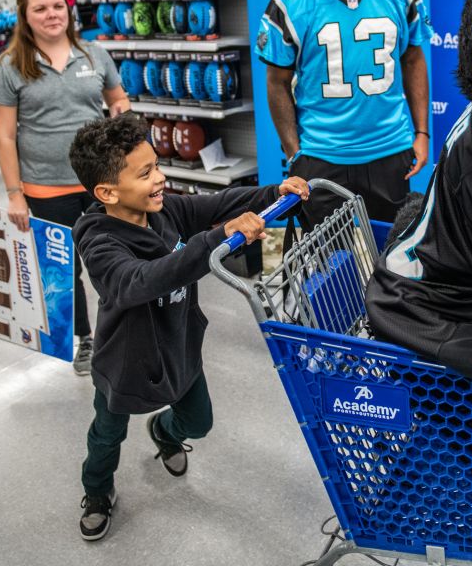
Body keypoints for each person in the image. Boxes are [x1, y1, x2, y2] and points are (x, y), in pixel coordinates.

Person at [67, 117, 309, 540]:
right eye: (145, 174)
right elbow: (137, 282)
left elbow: (217, 205)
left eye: (157, 165)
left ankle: (163, 431)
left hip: (180, 345)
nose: (160, 178)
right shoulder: (99, 241)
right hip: (126, 362)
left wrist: (272, 193)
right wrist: (215, 240)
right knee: (106, 435)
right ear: (107, 192)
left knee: (198, 423)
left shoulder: (164, 212)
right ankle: (98, 491)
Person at [254, 0, 433, 227]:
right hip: (322, 158)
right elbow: (276, 83)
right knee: (329, 271)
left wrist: (422, 133)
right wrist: (295, 155)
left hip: (390, 152)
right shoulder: (290, 2)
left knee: (393, 263)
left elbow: (413, 58)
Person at [0, 0, 132, 375]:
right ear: (24, 16)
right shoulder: (10, 67)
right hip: (45, 187)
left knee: (112, 259)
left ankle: (117, 331)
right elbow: (4, 136)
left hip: (101, 181)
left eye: (57, 6)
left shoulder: (93, 54)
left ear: (67, 9)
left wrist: (121, 111)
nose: (51, 15)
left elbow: (117, 98)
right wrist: (15, 193)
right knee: (66, 269)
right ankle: (86, 340)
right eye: (40, 8)